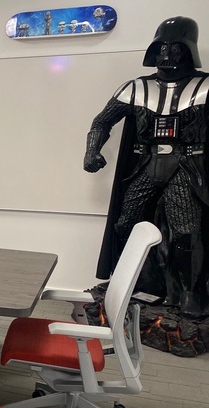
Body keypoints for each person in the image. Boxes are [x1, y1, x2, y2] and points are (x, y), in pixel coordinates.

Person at [84, 16, 209, 318]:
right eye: (161, 48)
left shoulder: (204, 86)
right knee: (127, 224)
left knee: (186, 232)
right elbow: (102, 121)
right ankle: (140, 281)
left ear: (188, 50)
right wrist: (91, 151)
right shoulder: (136, 88)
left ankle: (190, 292)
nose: (167, 55)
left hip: (186, 166)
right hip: (147, 163)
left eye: (175, 48)